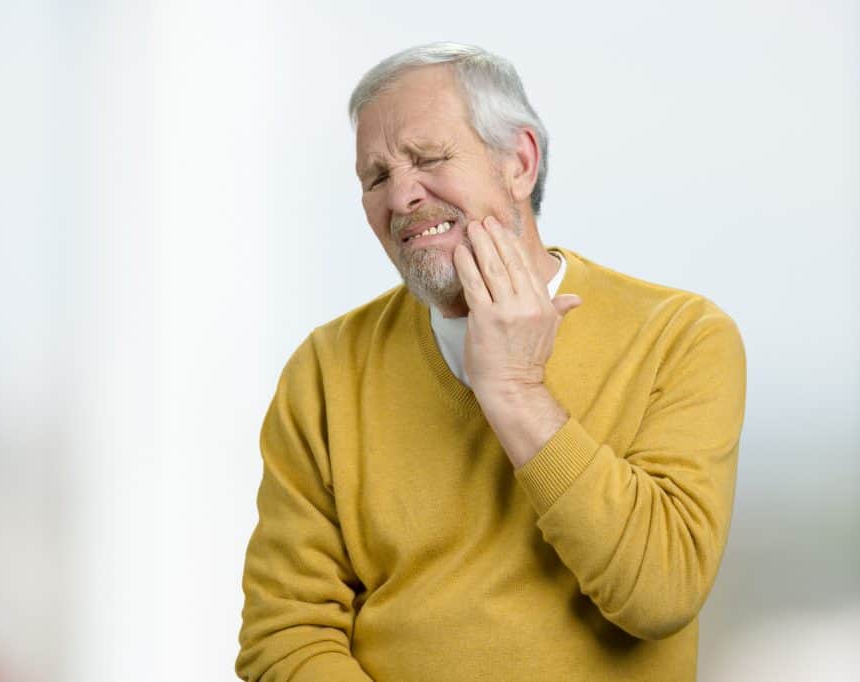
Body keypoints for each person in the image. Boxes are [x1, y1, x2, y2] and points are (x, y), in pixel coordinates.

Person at [236, 42, 746, 682]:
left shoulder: (681, 336)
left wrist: (515, 389)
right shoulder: (327, 370)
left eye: (429, 159)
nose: (401, 197)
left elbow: (661, 591)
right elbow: (284, 636)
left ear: (520, 164)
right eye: (376, 177)